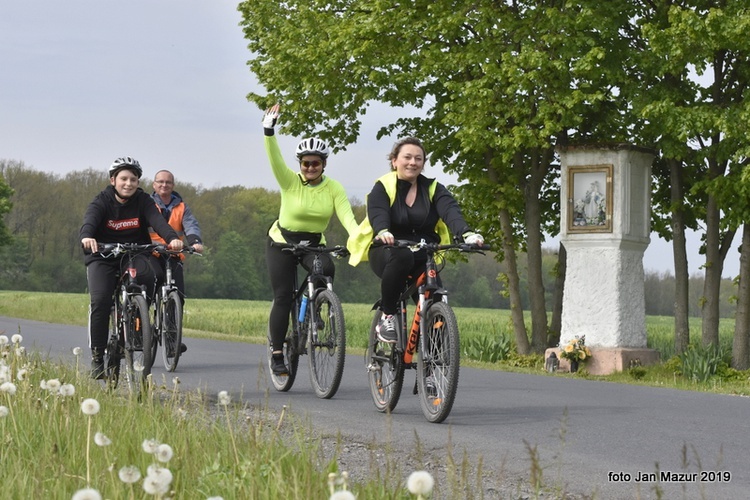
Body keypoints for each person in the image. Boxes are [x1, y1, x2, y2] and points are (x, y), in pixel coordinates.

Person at [347, 137, 484, 343]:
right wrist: (383, 231)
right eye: (407, 157)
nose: (413, 162)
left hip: (421, 252)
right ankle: (388, 316)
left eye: (418, 158)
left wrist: (467, 234)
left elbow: (451, 211)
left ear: (423, 163)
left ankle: (435, 359)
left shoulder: (433, 188)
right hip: (387, 249)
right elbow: (378, 212)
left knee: (436, 295)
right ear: (394, 161)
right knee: (401, 257)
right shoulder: (383, 186)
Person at [261, 103, 359, 376]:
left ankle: (314, 304)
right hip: (281, 241)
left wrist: (356, 239)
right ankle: (278, 353)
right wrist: (269, 131)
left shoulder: (334, 188)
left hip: (313, 242)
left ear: (324, 164)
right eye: (306, 163)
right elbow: (274, 158)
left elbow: (347, 218)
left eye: (316, 163)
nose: (310, 167)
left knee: (325, 268)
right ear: (300, 165)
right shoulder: (290, 181)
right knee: (282, 297)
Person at [80, 157, 184, 379]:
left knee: (152, 274)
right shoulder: (102, 201)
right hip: (104, 255)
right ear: (113, 180)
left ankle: (138, 326)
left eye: (133, 179)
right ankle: (98, 357)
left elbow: (158, 221)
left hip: (134, 252)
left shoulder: (143, 200)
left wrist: (172, 238)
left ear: (138, 182)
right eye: (124, 179)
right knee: (100, 301)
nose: (128, 183)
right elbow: (89, 221)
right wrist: (87, 236)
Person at [150, 169, 204, 355]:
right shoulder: (147, 204)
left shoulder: (182, 207)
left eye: (168, 182)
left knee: (177, 296)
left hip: (174, 255)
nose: (164, 185)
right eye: (160, 182)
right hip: (152, 254)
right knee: (147, 290)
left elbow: (191, 225)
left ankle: (172, 339)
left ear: (173, 185)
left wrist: (195, 242)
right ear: (154, 184)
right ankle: (140, 329)